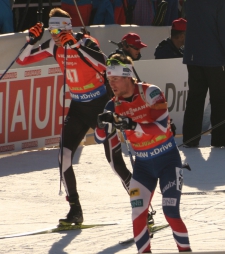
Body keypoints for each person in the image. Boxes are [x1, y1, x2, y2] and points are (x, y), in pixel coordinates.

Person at [15, 8, 132, 225]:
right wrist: (31, 40)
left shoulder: (85, 42)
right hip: (78, 106)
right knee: (64, 156)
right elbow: (22, 61)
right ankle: (75, 210)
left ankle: (143, 206)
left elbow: (104, 64)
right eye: (50, 31)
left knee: (115, 163)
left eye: (57, 31)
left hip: (101, 106)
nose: (53, 36)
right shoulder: (53, 45)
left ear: (66, 28)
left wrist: (76, 46)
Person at [96, 54, 191, 253]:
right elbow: (99, 138)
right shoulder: (112, 105)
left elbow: (163, 127)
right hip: (143, 166)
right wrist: (100, 125)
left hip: (168, 161)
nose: (110, 83)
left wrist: (131, 124)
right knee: (138, 214)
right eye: (108, 78)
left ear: (128, 76)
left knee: (170, 212)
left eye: (115, 78)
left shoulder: (151, 93)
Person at [182, 0, 225, 148]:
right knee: (219, 100)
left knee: (195, 98)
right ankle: (220, 139)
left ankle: (190, 138)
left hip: (194, 55)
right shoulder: (222, 3)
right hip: (215, 58)